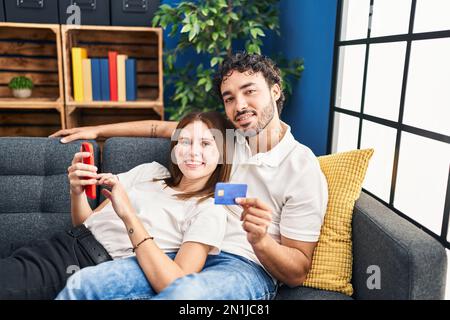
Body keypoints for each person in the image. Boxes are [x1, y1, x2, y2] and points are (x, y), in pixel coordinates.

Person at [52, 52, 328, 300]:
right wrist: (97, 131)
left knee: (182, 296)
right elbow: (156, 128)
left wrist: (261, 240)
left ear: (275, 91)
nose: (239, 106)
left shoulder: (301, 168)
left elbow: (297, 271)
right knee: (84, 284)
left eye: (249, 91)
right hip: (182, 247)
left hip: (242, 263)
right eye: (229, 98)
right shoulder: (228, 140)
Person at [0, 111, 233, 300]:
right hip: (58, 244)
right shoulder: (151, 172)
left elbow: (177, 284)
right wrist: (76, 191)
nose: (193, 152)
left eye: (205, 144)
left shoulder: (208, 209)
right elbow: (86, 223)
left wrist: (129, 215)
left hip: (85, 267)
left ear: (222, 153)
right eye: (185, 141)